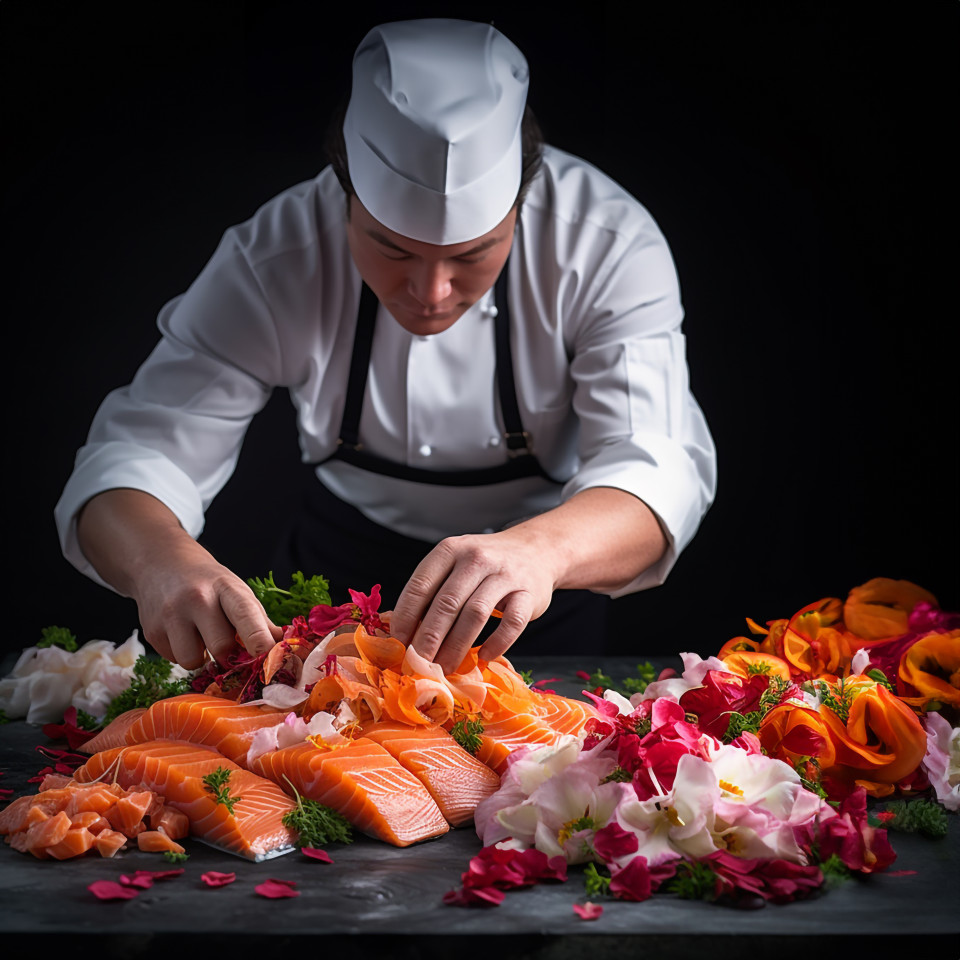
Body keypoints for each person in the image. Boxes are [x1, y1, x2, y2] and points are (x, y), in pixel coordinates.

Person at [55, 18, 717, 675]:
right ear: (345, 191)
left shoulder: (604, 242)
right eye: (391, 247)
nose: (430, 291)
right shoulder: (276, 255)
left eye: (473, 253)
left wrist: (540, 552)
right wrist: (159, 560)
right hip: (335, 576)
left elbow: (653, 470)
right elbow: (137, 454)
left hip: (536, 593)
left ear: (520, 201)